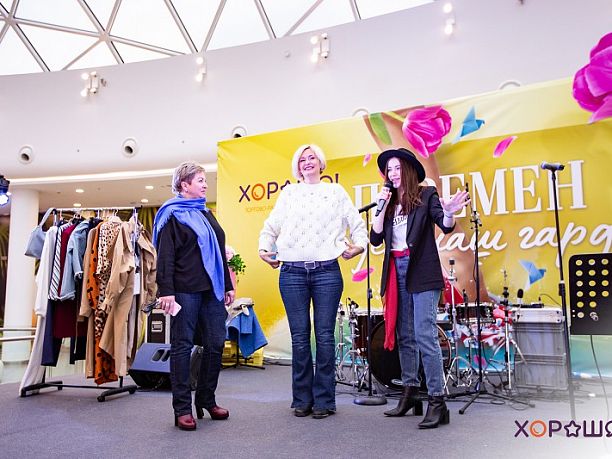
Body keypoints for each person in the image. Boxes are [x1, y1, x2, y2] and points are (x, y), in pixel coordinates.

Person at [259, 144, 368, 419]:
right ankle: (302, 399)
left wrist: (358, 246)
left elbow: (357, 225)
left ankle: (324, 400)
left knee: (325, 336)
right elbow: (271, 226)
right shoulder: (289, 193)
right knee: (299, 338)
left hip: (327, 272)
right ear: (297, 167)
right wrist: (264, 248)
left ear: (321, 163)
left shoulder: (335, 192)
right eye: (302, 159)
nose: (307, 162)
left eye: (312, 158)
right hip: (292, 273)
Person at [370, 148, 469, 429]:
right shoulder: (389, 203)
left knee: (424, 334)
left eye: (397, 168)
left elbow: (445, 225)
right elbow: (375, 238)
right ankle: (410, 392)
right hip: (396, 271)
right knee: (405, 336)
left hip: (422, 272)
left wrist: (448, 212)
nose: (393, 174)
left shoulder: (426, 195)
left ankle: (437, 401)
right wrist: (381, 206)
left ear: (409, 170)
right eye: (389, 170)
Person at [153, 161, 235, 431]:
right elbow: (165, 257)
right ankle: (182, 409)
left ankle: (206, 399)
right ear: (183, 184)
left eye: (204, 180)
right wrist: (166, 291)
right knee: (182, 346)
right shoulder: (171, 215)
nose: (205, 185)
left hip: (212, 290)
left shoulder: (206, 213)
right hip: (184, 291)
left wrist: (227, 284)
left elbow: (219, 251)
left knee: (215, 343)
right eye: (200, 180)